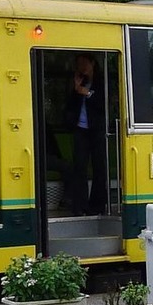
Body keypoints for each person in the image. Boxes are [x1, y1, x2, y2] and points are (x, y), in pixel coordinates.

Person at [63, 54, 109, 215]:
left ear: (93, 64)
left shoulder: (102, 81)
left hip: (97, 130)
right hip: (80, 129)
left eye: (84, 63)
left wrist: (87, 93)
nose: (82, 67)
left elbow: (106, 104)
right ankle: (79, 206)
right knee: (79, 168)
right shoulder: (79, 82)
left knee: (99, 168)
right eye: (79, 63)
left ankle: (97, 206)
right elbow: (70, 106)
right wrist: (76, 90)